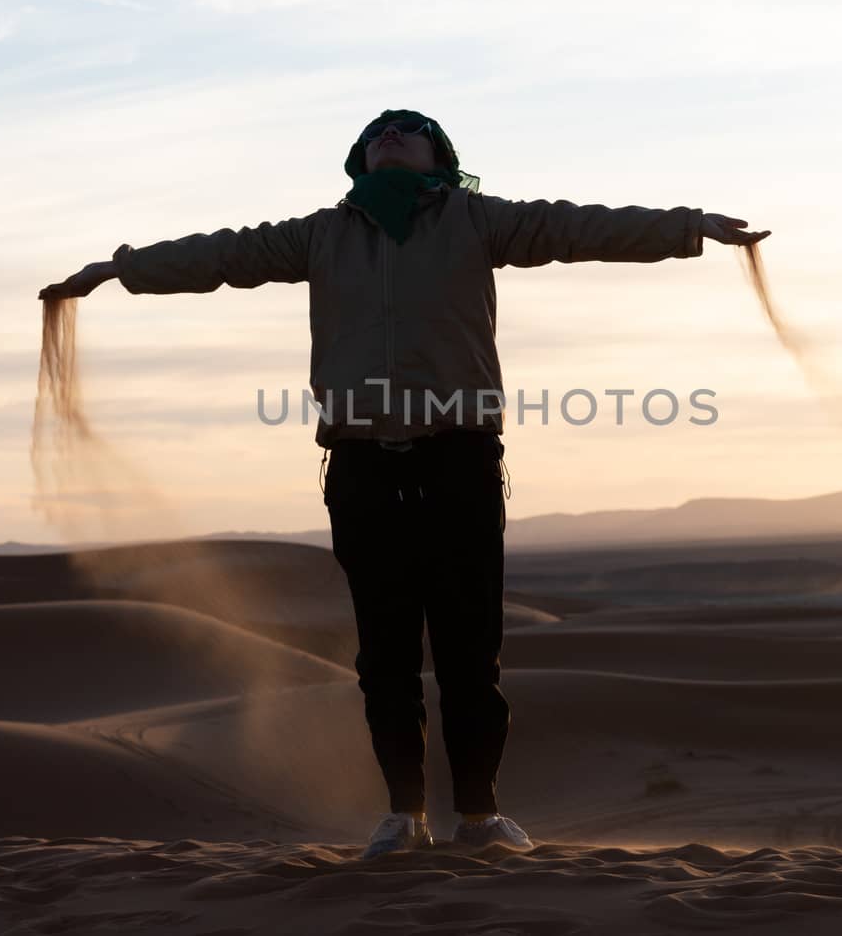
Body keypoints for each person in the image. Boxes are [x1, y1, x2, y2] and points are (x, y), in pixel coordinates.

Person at [38, 108, 770, 859]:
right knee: (384, 656)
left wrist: (689, 227)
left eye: (408, 129)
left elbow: (576, 227)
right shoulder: (323, 233)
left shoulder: (478, 219)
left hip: (459, 462)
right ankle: (403, 813)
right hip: (361, 467)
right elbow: (223, 255)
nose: (391, 134)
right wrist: (120, 270)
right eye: (378, 132)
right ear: (361, 159)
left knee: (469, 653)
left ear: (438, 156)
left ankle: (481, 816)